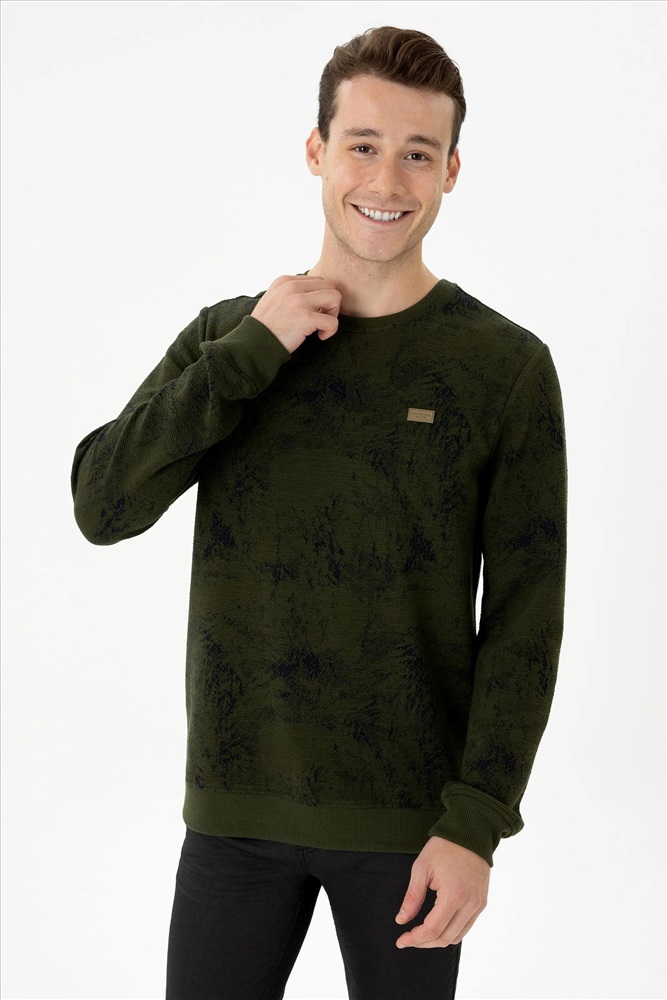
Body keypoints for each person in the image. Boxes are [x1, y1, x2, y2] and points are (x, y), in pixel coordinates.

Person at [71, 25, 567, 1000]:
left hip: (411, 831)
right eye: (363, 145)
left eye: (417, 153)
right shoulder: (231, 339)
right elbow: (103, 503)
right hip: (233, 815)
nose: (386, 179)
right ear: (316, 150)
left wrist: (476, 822)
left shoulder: (501, 367)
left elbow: (524, 618)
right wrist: (250, 353)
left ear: (451, 171)